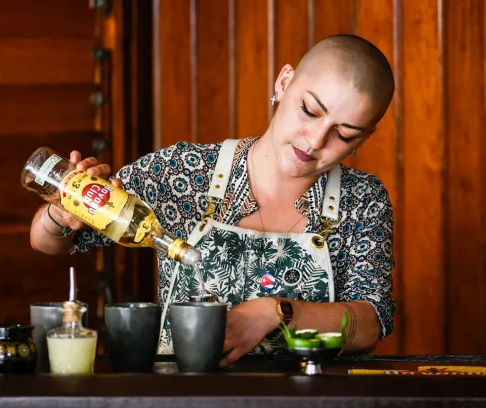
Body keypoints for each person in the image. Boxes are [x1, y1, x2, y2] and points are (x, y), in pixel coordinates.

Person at [30, 34, 395, 367]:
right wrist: (59, 215)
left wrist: (275, 312)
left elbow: (369, 324)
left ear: (363, 138)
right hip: (183, 396)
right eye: (309, 111)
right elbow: (50, 243)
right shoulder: (183, 172)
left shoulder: (362, 199)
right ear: (284, 83)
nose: (315, 140)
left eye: (344, 134)